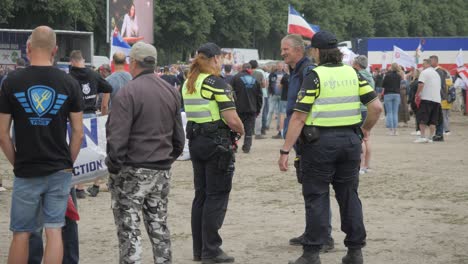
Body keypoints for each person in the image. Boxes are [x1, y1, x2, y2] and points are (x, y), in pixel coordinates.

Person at [278, 31, 382, 264]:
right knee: (349, 196)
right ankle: (355, 251)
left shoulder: (315, 75)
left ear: (316, 51)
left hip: (319, 144)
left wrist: (286, 149)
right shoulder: (354, 73)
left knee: (316, 196)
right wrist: (365, 130)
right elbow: (375, 106)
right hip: (350, 143)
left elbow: (299, 117)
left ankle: (312, 253)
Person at [0, 25, 84, 264]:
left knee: (21, 233)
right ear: (55, 50)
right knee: (55, 230)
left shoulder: (11, 82)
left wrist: (17, 162)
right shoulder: (69, 83)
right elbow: (78, 133)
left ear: (28, 48)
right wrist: (68, 163)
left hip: (27, 169)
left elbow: (2, 134)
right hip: (59, 169)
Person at [106, 41, 184, 264]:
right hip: (161, 169)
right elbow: (179, 139)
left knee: (129, 230)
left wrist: (114, 167)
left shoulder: (127, 93)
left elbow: (117, 137)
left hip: (132, 169)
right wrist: (166, 160)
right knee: (159, 226)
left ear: (133, 63)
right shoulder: (170, 91)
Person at [182, 42, 244, 264]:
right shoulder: (216, 83)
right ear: (216, 59)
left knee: (201, 195)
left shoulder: (190, 82)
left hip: (197, 142)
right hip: (216, 144)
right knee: (216, 196)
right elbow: (232, 118)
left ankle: (200, 249)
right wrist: (241, 130)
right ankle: (212, 250)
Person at [281, 34, 336, 251]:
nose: (282, 53)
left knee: (317, 189)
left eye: (286, 49)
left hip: (310, 137)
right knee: (309, 188)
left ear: (298, 50)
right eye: (282, 49)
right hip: (301, 139)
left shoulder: (308, 71)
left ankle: (325, 237)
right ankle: (312, 231)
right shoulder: (296, 71)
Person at [69, 50, 112, 198]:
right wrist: (95, 89)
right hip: (92, 115)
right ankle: (95, 184)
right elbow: (108, 88)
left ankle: (78, 187)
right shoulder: (93, 74)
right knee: (95, 151)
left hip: (75, 116)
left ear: (71, 61)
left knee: (76, 151)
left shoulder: (70, 77)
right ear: (83, 60)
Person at [231, 63, 262, 153]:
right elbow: (259, 96)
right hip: (252, 109)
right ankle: (246, 147)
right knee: (249, 129)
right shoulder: (254, 80)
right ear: (250, 69)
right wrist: (258, 110)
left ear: (242, 68)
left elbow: (229, 92)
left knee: (235, 128)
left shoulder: (235, 78)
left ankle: (234, 145)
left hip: (238, 108)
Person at [352, 55, 375, 175]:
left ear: (357, 64)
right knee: (367, 138)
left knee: (359, 139)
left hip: (359, 109)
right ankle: (366, 165)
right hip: (368, 109)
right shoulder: (370, 76)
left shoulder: (357, 76)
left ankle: (360, 166)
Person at [414, 59, 441, 143]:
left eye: (423, 64)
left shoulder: (424, 72)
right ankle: (430, 137)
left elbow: (421, 84)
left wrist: (417, 94)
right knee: (433, 120)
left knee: (422, 118)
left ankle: (422, 137)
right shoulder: (436, 73)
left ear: (427, 64)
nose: (422, 66)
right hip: (437, 99)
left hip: (426, 98)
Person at [430, 55, 448, 141]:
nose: (430, 63)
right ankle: (439, 133)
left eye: (431, 61)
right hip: (436, 96)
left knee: (439, 115)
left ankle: (439, 134)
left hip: (438, 96)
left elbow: (440, 85)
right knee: (438, 115)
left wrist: (439, 96)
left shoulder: (439, 71)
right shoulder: (436, 71)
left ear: (436, 61)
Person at [381, 63, 402, 135]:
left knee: (389, 112)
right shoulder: (399, 76)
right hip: (396, 94)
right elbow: (399, 85)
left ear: (391, 68)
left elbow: (383, 85)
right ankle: (395, 130)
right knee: (395, 112)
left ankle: (391, 130)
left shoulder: (387, 76)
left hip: (388, 94)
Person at [267, 62, 286, 138]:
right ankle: (266, 125)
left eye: (281, 65)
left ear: (283, 66)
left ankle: (279, 126)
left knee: (280, 112)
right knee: (270, 110)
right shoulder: (272, 74)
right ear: (277, 66)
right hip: (274, 94)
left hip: (282, 96)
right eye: (278, 65)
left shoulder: (285, 74)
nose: (280, 67)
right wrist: (270, 92)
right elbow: (269, 83)